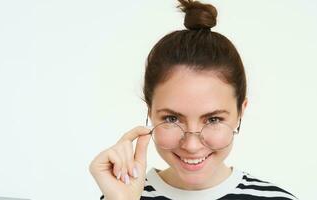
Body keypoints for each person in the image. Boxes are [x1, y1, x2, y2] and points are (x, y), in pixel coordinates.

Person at [89, 0, 298, 199]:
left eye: (213, 119)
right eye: (171, 119)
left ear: (240, 112)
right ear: (149, 111)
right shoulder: (121, 196)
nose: (191, 145)